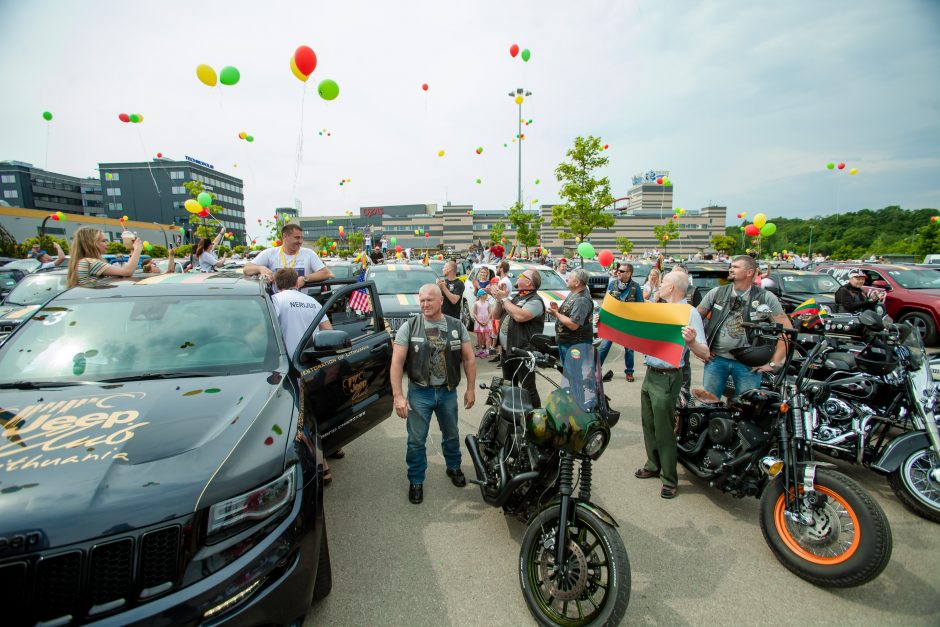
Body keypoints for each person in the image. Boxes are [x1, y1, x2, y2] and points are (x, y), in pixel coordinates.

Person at [390, 284, 476, 504]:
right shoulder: (409, 327)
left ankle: (454, 468)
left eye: (429, 300)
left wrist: (470, 389)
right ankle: (416, 480)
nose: (425, 304)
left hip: (448, 392)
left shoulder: (457, 326)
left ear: (441, 301)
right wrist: (398, 396)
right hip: (420, 393)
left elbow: (468, 358)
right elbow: (397, 363)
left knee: (451, 434)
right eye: (422, 300)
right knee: (416, 441)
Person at [635, 273, 709, 499]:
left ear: (673, 288)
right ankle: (653, 464)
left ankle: (669, 478)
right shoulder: (661, 309)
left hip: (668, 376)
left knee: (664, 428)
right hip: (651, 373)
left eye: (664, 282)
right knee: (649, 423)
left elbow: (704, 352)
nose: (660, 285)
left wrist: (691, 342)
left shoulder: (689, 313)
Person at [271, 268, 336, 481]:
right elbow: (329, 332)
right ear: (297, 283)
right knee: (316, 412)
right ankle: (333, 446)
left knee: (300, 417)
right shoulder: (313, 303)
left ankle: (321, 466)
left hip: (289, 368)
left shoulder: (276, 301)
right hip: (315, 366)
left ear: (277, 284)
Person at [696, 255, 791, 399]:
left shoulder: (766, 297)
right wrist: (700, 349)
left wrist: (774, 363)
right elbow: (694, 319)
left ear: (749, 272)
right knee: (708, 404)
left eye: (736, 267)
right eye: (731, 266)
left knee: (747, 407)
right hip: (716, 361)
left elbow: (786, 332)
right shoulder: (717, 293)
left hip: (748, 365)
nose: (731, 269)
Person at [489, 269, 545, 407]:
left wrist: (504, 299)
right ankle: (512, 416)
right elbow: (496, 315)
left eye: (521, 276)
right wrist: (499, 299)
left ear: (529, 282)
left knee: (528, 389)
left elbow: (520, 316)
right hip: (507, 351)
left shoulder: (535, 300)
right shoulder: (517, 297)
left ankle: (536, 419)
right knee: (509, 386)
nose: (517, 277)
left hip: (523, 352)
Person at [244, 223, 334, 289]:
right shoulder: (270, 253)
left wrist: (305, 278)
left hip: (300, 303)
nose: (300, 241)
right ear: (285, 236)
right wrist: (261, 268)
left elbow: (327, 273)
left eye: (302, 238)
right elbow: (246, 269)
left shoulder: (309, 253)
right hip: (276, 303)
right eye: (297, 237)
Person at [598, 263, 644, 381]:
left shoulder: (636, 287)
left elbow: (641, 306)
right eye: (618, 270)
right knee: (604, 347)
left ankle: (629, 372)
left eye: (622, 271)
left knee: (629, 349)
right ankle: (596, 370)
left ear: (629, 273)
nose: (618, 272)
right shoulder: (612, 284)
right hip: (612, 322)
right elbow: (606, 302)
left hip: (627, 323)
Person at [66, 226, 143, 288]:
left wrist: (132, 251)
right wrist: (137, 250)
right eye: (103, 241)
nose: (107, 243)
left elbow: (125, 272)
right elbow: (127, 272)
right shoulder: (90, 262)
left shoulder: (83, 261)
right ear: (91, 244)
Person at [550, 269, 594, 363]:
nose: (567, 279)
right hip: (568, 342)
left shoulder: (581, 300)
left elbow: (573, 325)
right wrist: (558, 310)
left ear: (577, 283)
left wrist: (556, 314)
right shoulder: (574, 293)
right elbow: (570, 314)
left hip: (575, 344)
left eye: (569, 278)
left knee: (574, 374)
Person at [473, 288, 492, 357]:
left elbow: (490, 312)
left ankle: (487, 350)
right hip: (479, 322)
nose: (486, 295)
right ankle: (480, 349)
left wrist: (487, 320)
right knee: (479, 337)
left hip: (486, 321)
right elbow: (474, 313)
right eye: (485, 294)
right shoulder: (476, 303)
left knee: (487, 337)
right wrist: (479, 321)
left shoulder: (487, 303)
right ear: (480, 295)